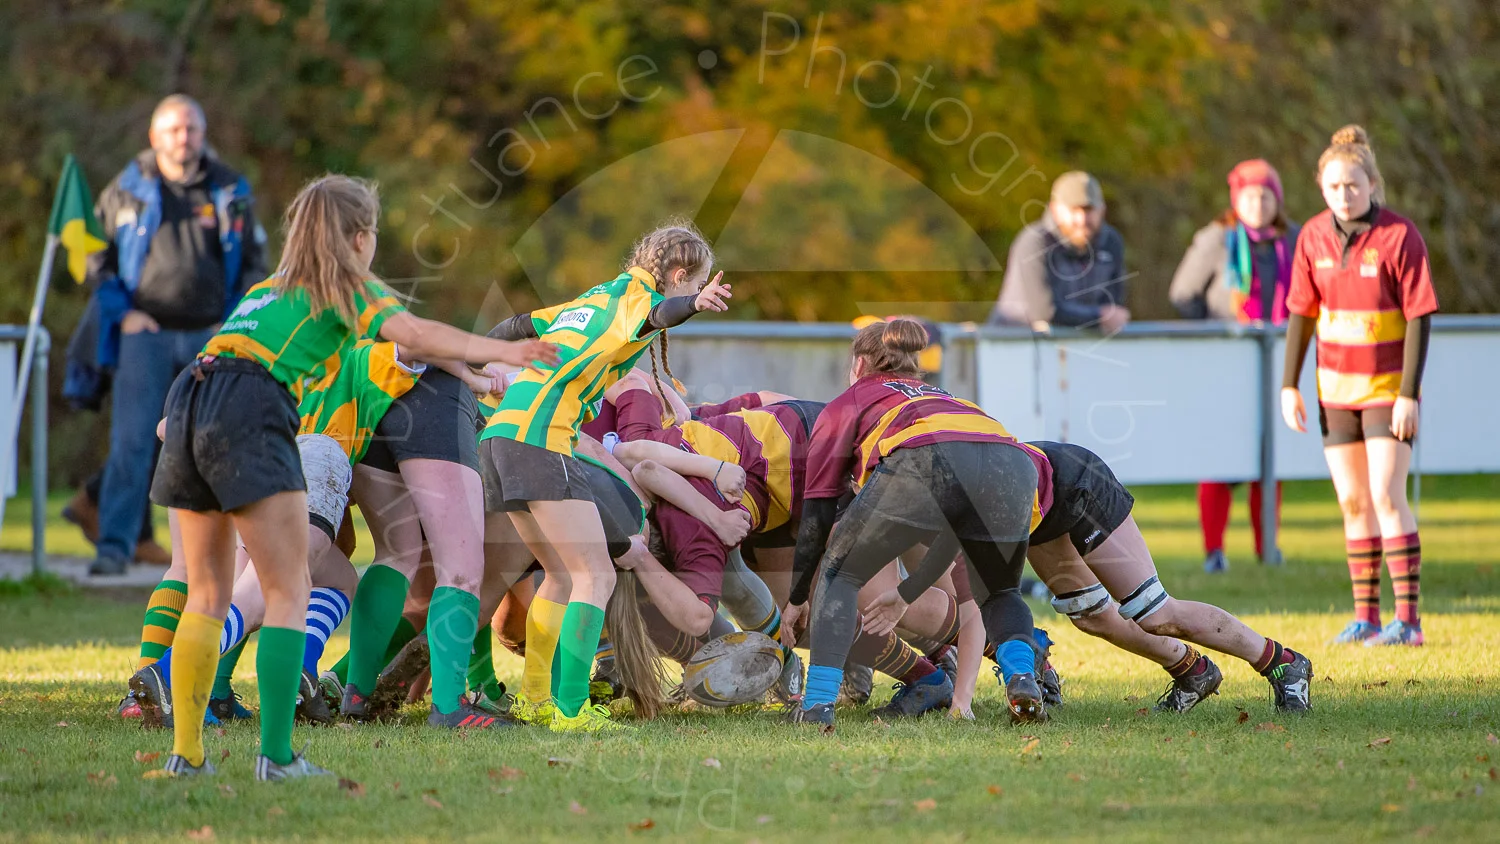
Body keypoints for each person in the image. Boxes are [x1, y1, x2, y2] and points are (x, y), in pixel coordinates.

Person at [144, 173, 555, 780]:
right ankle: (278, 759)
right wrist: (500, 351)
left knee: (208, 590)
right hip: (251, 407)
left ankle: (187, 758)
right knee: (287, 592)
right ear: (358, 237)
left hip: (189, 399)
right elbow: (412, 334)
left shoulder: (267, 289)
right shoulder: (343, 285)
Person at [480, 222, 731, 733]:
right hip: (541, 437)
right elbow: (659, 313)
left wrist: (465, 356)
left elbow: (516, 326)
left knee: (560, 573)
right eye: (692, 282)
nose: (691, 292)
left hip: (500, 434)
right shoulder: (639, 300)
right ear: (679, 275)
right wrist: (693, 305)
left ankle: (534, 701)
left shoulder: (596, 297)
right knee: (597, 575)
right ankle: (571, 710)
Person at [786, 318, 1052, 727]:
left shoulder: (852, 399)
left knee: (840, 573)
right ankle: (1020, 675)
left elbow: (819, 511)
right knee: (999, 590)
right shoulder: (947, 396)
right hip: (1014, 463)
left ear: (858, 365)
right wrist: (908, 590)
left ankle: (817, 705)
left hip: (925, 460)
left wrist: (799, 594)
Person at [87, 95, 268, 576]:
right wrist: (122, 313)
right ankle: (114, 547)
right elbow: (92, 254)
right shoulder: (128, 187)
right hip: (145, 334)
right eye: (173, 129)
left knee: (214, 441)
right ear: (154, 136)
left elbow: (255, 264)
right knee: (132, 441)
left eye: (191, 128)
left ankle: (220, 558)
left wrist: (234, 323)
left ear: (202, 133)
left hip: (213, 339)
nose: (183, 138)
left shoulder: (230, 187)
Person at [1282, 126, 1437, 647]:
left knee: (1386, 496)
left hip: (1387, 390)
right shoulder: (1311, 237)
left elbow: (1419, 316)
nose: (1344, 195)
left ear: (1372, 183)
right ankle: (1366, 617)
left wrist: (1408, 394)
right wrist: (1290, 386)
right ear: (1321, 190)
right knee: (1352, 502)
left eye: (1353, 185)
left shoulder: (1399, 236)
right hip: (1335, 392)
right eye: (1333, 187)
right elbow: (1302, 315)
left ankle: (1408, 622)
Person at [1017, 441, 1313, 713]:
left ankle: (1283, 663)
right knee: (1090, 613)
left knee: (1156, 612)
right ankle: (1192, 671)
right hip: (1030, 508)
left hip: (1071, 482)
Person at [1169, 159, 1301, 572]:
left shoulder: (1293, 240)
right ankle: (1214, 552)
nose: (1258, 203)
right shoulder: (1216, 239)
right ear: (1235, 199)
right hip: (1223, 368)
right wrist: (1216, 336)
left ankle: (1269, 549)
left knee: (1270, 459)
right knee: (1219, 459)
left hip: (1276, 364)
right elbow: (1183, 294)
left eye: (1266, 195)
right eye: (1250, 195)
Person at [990, 172, 1130, 333]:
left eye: (1089, 210)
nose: (1082, 219)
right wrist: (1099, 317)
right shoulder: (1034, 242)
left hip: (1073, 347)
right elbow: (1044, 312)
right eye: (1074, 210)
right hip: (1011, 345)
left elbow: (1114, 307)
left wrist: (1102, 317)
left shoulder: (1111, 243)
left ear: (1102, 210)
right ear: (1055, 210)